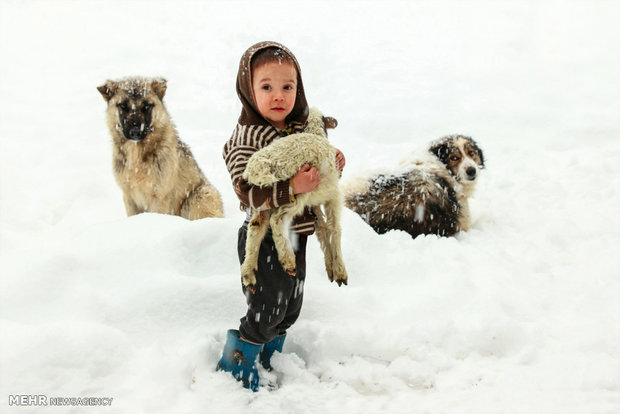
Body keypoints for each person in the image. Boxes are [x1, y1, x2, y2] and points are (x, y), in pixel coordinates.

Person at [217, 41, 345, 391]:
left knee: (290, 308)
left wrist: (329, 166)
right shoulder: (246, 138)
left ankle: (268, 358)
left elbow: (314, 175)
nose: (279, 96)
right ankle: (235, 369)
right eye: (267, 87)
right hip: (264, 238)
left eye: (287, 87)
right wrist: (291, 186)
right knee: (266, 308)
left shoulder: (300, 127)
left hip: (297, 233)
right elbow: (247, 192)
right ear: (248, 90)